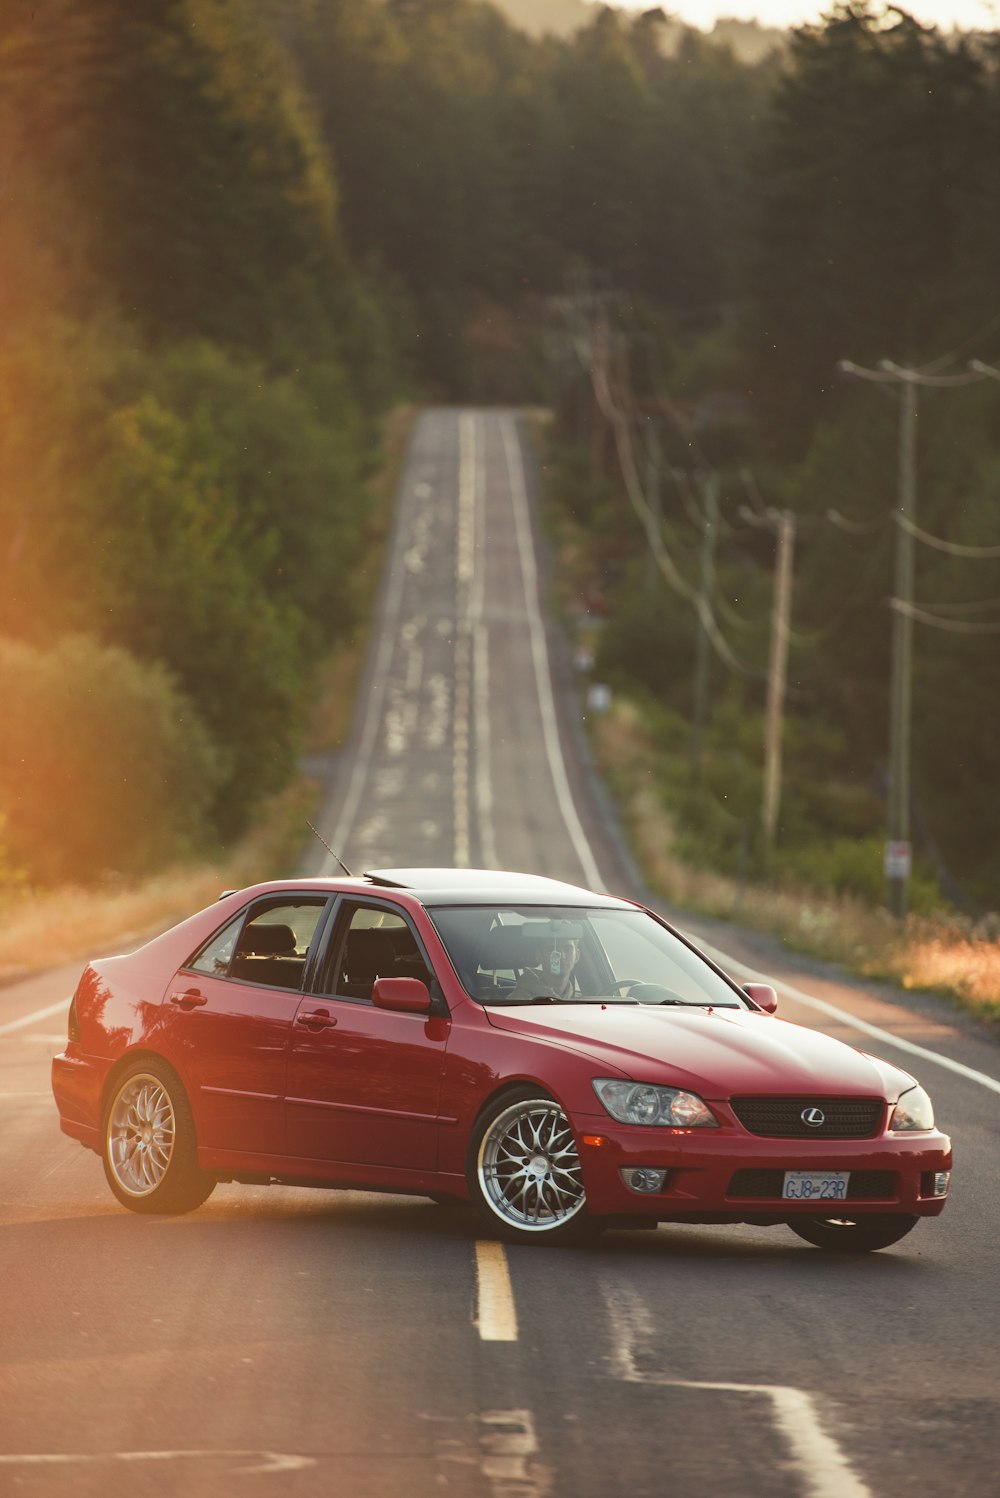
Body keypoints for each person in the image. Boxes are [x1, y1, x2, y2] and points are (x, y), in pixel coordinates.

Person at [510, 935, 581, 1000]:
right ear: (539, 956)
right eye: (552, 950)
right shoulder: (519, 999)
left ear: (577, 956)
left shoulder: (583, 1002)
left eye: (568, 949)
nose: (562, 956)